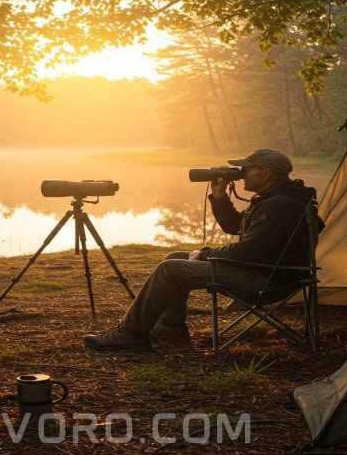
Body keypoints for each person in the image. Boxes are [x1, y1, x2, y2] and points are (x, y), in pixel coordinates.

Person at [83, 148, 324, 351]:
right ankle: (171, 328)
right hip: (268, 271)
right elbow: (235, 226)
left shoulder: (279, 205)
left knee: (170, 269)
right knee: (175, 257)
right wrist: (219, 197)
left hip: (266, 279)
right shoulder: (278, 199)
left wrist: (206, 254)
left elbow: (246, 252)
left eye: (246, 169)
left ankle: (130, 334)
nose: (241, 175)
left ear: (266, 173)